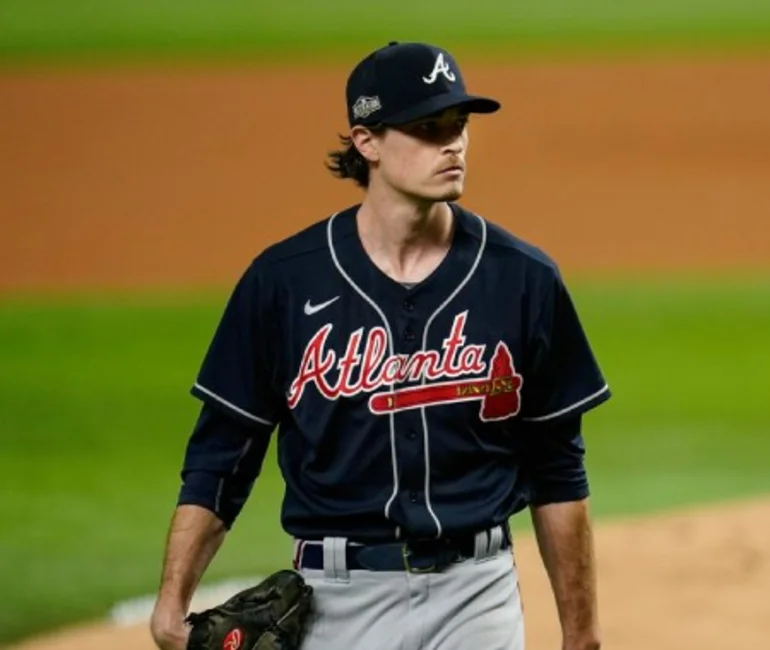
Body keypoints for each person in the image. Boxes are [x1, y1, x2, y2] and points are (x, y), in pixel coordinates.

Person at [148, 40, 612, 650]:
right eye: (427, 127)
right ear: (366, 141)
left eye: (459, 124)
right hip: (336, 604)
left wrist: (582, 635)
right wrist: (171, 603)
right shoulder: (284, 282)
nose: (453, 143)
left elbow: (556, 465)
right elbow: (223, 454)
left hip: (476, 595)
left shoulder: (523, 279)